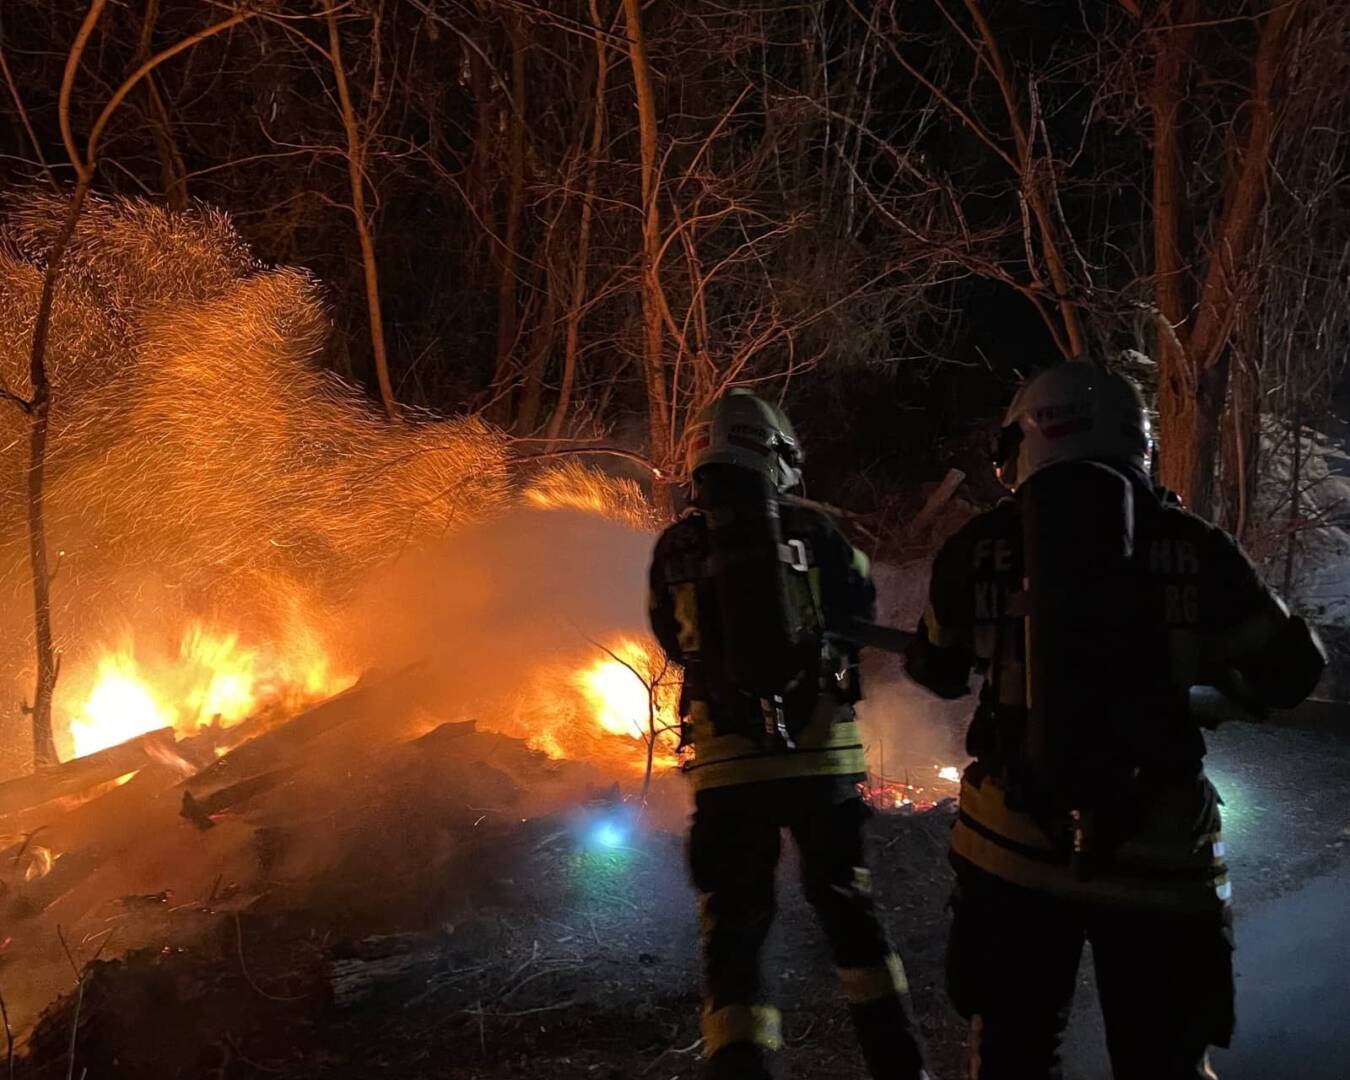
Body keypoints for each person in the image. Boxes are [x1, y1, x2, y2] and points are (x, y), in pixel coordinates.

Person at [904, 362, 1327, 1080]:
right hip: (1161, 862)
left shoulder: (980, 548)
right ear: (1138, 441)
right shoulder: (1196, 548)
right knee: (1163, 1063)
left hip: (1010, 853)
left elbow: (936, 669)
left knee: (1011, 1056)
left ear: (1026, 442)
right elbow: (1293, 672)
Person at [648, 389, 928, 1080]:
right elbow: (863, 608)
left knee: (733, 936)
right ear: (775, 455)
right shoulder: (817, 532)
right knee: (852, 920)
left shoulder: (675, 547)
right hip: (820, 764)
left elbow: (670, 639)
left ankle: (741, 1069)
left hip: (726, 772)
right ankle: (900, 1067)